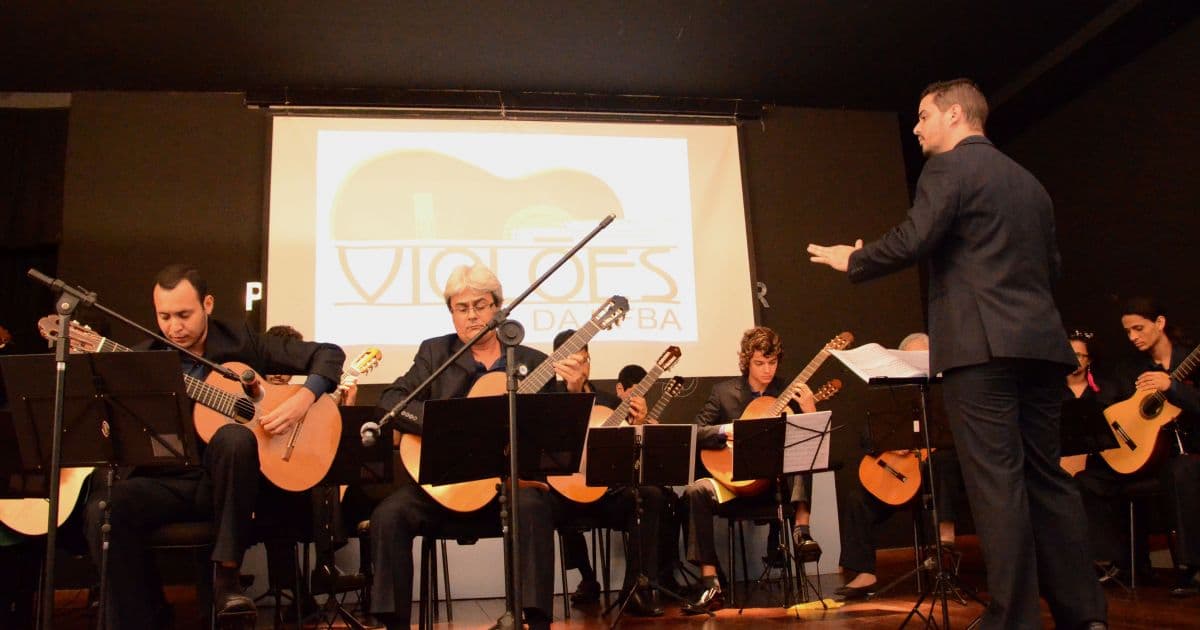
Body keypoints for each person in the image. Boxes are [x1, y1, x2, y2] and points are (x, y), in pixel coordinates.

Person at [807, 79, 1107, 628]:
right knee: (1049, 479)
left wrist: (855, 260)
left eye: (923, 116)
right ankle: (1085, 615)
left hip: (980, 349)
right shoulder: (1030, 183)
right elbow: (1053, 268)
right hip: (1042, 348)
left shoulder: (948, 168)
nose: (917, 128)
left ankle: (1012, 619)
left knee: (997, 484)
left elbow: (915, 237)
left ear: (953, 114)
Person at [83, 264, 346, 629]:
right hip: (170, 482)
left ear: (207, 304)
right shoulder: (143, 358)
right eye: (164, 316)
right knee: (104, 509)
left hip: (233, 486)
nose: (174, 327)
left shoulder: (242, 341)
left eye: (184, 314)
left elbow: (329, 354)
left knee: (234, 437)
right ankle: (146, 617)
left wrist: (302, 400)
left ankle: (227, 579)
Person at [367, 264, 557, 630]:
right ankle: (392, 625)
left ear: (499, 309)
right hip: (442, 489)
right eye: (462, 307)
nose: (472, 316)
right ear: (452, 312)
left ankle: (533, 620)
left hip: (506, 490)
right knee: (389, 516)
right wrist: (444, 429)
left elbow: (554, 427)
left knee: (533, 507)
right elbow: (391, 402)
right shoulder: (436, 353)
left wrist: (573, 388)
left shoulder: (532, 362)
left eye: (480, 305)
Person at [680, 326, 819, 614]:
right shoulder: (723, 393)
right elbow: (694, 432)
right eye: (759, 363)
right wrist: (723, 430)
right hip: (734, 483)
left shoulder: (788, 391)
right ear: (746, 361)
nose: (767, 370)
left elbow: (812, 434)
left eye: (772, 362)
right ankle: (710, 582)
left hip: (776, 486)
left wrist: (809, 409)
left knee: (801, 452)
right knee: (696, 491)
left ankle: (802, 532)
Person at [1075, 298, 1200, 595]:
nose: (1133, 337)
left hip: (1182, 454)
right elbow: (1113, 408)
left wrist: (1173, 387)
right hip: (1141, 455)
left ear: (1160, 323)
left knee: (1182, 471)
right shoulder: (1130, 368)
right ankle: (1121, 563)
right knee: (1087, 480)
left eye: (1139, 328)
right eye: (1128, 331)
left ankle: (1191, 567)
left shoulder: (1190, 360)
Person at [835, 332, 969, 600]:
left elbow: (961, 436)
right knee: (856, 498)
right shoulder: (889, 394)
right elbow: (867, 437)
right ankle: (864, 572)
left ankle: (945, 543)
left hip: (936, 477)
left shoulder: (949, 392)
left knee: (943, 461)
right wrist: (892, 443)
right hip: (901, 478)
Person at [550, 337, 667, 616]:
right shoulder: (547, 398)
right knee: (549, 498)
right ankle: (588, 577)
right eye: (573, 360)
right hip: (565, 492)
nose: (580, 366)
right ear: (558, 362)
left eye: (584, 359)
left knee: (649, 495)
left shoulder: (610, 402)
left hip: (606, 490)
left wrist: (637, 426)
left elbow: (627, 453)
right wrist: (574, 394)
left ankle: (633, 590)